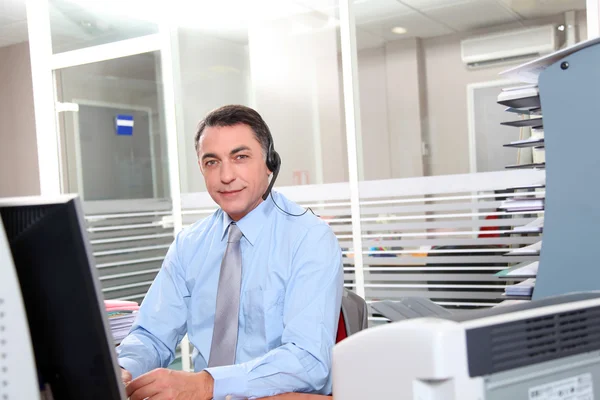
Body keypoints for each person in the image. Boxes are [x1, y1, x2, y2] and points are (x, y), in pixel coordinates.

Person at [117, 105, 344, 400]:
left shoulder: (310, 239)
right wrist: (124, 368)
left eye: (240, 157)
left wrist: (208, 384)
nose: (226, 176)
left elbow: (308, 360)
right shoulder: (190, 244)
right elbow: (151, 335)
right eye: (212, 162)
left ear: (269, 163)